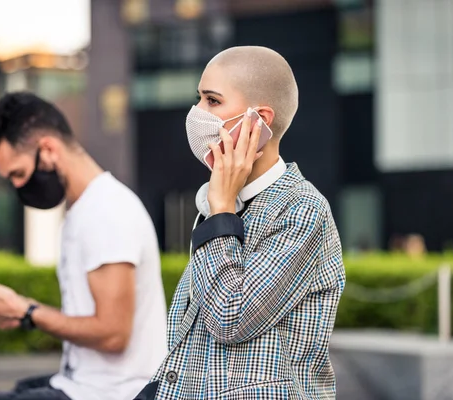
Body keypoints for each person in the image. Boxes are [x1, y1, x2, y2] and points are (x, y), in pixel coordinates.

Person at [134, 46, 346, 400]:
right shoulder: (225, 202)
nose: (196, 113)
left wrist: (221, 212)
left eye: (212, 101)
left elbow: (230, 318)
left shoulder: (301, 209)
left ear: (257, 120)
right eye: (198, 98)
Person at [0, 92, 168, 400]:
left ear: (47, 150)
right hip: (81, 384)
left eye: (19, 174)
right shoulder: (83, 210)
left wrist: (28, 311)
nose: (18, 187)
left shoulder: (107, 211)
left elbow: (114, 333)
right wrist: (23, 312)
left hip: (115, 393)